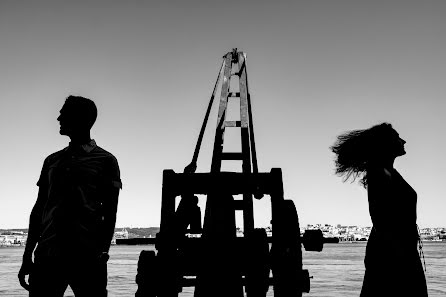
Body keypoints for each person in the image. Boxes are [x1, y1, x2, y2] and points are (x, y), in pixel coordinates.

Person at [18, 95, 122, 296]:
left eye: (63, 113)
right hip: (47, 255)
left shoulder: (106, 161)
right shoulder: (52, 161)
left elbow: (110, 212)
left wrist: (103, 252)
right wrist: (27, 255)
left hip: (87, 257)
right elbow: (39, 209)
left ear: (80, 118)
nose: (58, 118)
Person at [331, 122, 427, 296]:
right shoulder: (379, 173)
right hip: (392, 254)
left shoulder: (390, 172)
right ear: (387, 144)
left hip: (400, 250)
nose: (403, 141)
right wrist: (399, 253)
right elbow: (380, 218)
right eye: (398, 137)